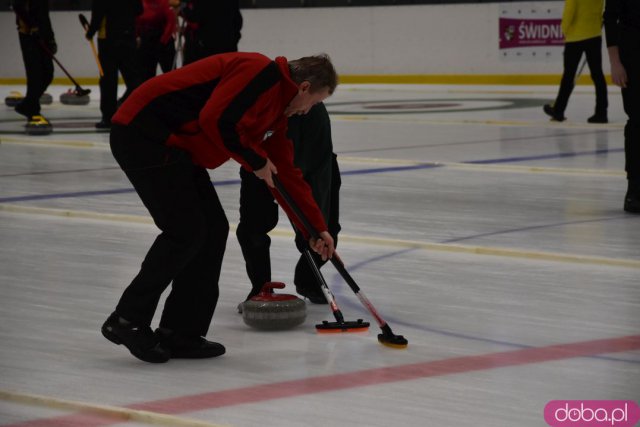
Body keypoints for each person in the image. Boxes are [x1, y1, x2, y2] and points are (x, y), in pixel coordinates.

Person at [103, 53, 338, 363]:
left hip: (176, 148)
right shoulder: (259, 72)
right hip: (143, 133)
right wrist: (255, 161)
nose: (308, 111)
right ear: (304, 87)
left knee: (212, 231)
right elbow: (217, 119)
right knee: (185, 231)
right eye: (314, 102)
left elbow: (286, 176)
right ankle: (126, 319)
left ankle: (181, 332)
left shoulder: (277, 115)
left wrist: (314, 228)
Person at [236, 102, 341, 304]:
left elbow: (319, 176)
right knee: (253, 226)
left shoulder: (315, 119)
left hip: (313, 165)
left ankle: (308, 279)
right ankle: (260, 286)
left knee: (326, 229)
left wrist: (314, 229)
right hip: (261, 162)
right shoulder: (268, 102)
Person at [543, 0, 608, 123]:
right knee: (597, 75)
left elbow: (569, 11)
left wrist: (565, 30)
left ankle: (558, 110)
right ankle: (601, 113)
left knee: (568, 75)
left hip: (575, 37)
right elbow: (601, 10)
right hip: (594, 34)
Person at [604, 0, 640, 213]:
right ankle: (634, 189)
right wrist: (615, 62)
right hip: (632, 57)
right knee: (637, 121)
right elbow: (610, 18)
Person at [85, 0, 144, 130]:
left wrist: (90, 32)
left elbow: (98, 13)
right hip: (128, 37)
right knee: (133, 79)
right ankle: (137, 113)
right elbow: (139, 10)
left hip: (108, 40)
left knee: (108, 81)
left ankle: (108, 117)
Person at [11, 0, 55, 131]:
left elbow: (44, 15)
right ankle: (32, 110)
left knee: (48, 73)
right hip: (28, 35)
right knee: (35, 74)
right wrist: (32, 26)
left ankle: (27, 104)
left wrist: (51, 38)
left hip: (43, 35)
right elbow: (17, 5)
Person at [179, 0, 243, 65]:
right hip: (227, 45)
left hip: (205, 48)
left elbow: (194, 18)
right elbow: (238, 21)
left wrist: (183, 9)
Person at [135, 0, 177, 81]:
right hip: (147, 42)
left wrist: (163, 41)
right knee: (146, 76)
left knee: (171, 75)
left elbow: (171, 21)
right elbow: (136, 21)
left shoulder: (163, 3)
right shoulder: (141, 3)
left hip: (163, 43)